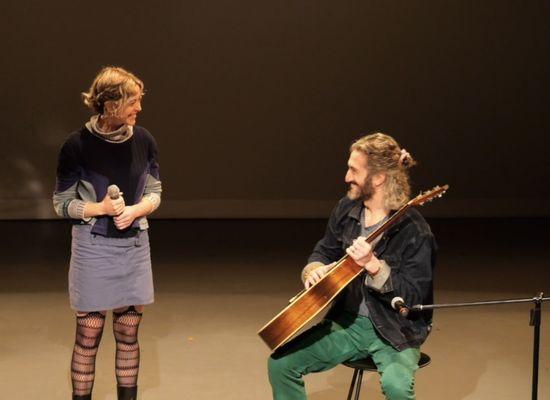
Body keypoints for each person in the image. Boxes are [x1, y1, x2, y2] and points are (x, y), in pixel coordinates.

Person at [268, 132, 436, 400]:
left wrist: (373, 265)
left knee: (397, 388)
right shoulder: (347, 210)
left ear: (379, 177)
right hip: (348, 323)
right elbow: (324, 250)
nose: (347, 177)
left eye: (353, 170)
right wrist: (314, 270)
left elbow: (414, 299)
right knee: (281, 365)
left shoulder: (415, 230)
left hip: (396, 330)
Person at [53, 66, 162, 400]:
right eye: (133, 101)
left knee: (128, 334)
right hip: (94, 249)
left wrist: (135, 210)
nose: (139, 108)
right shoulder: (76, 145)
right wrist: (100, 208)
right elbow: (61, 203)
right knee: (89, 335)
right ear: (112, 103)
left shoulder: (144, 140)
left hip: (133, 246)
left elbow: (155, 192)